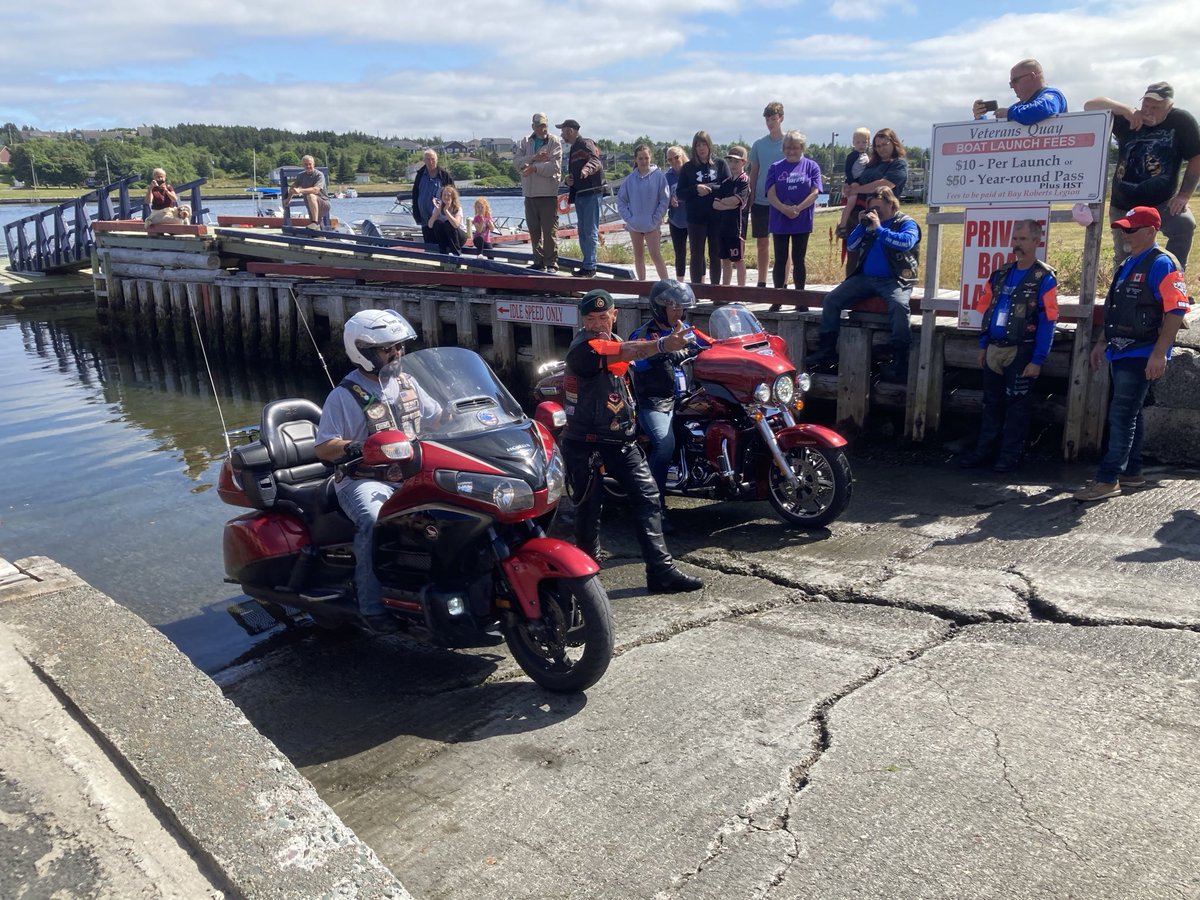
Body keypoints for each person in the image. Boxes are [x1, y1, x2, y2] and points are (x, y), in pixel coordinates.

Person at [562, 289, 703, 594]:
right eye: (591, 318)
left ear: (615, 315)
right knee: (588, 509)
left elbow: (625, 370)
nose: (598, 323)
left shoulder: (612, 339)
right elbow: (630, 352)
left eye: (603, 316)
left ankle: (661, 570)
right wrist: (664, 344)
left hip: (618, 440)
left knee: (648, 496)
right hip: (585, 442)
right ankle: (586, 583)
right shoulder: (584, 347)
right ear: (583, 320)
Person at [314, 309, 443, 633]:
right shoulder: (343, 395)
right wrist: (353, 447)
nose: (396, 353)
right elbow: (323, 446)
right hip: (364, 480)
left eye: (399, 347)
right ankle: (371, 608)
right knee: (374, 519)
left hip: (414, 473)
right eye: (388, 349)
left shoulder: (408, 382)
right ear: (365, 353)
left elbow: (437, 418)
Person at [1073, 207, 1191, 501]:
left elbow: (1176, 310)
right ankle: (1132, 472)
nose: (1124, 234)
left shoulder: (1162, 264)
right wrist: (1102, 342)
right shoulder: (1128, 263)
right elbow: (1117, 307)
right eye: (1123, 228)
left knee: (1121, 414)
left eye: (1130, 229)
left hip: (1141, 352)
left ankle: (1107, 478)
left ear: (1150, 232)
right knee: (1131, 413)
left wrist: (1159, 353)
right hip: (1121, 350)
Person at [959, 220, 1059, 472]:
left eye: (1023, 240)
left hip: (1022, 350)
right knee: (991, 403)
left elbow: (1049, 320)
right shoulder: (1000, 274)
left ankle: (1010, 457)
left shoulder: (1044, 278)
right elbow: (985, 310)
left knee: (1018, 407)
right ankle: (984, 453)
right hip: (993, 347)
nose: (1017, 245)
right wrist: (982, 345)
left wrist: (1038, 359)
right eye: (1015, 239)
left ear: (1037, 242)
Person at [807, 187, 920, 384]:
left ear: (891, 204)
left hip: (895, 279)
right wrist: (861, 225)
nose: (873, 212)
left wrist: (879, 229)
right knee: (832, 300)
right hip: (865, 279)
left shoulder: (906, 222)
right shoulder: (868, 224)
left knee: (899, 306)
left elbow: (906, 243)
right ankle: (826, 351)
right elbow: (851, 245)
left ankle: (899, 359)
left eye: (877, 207)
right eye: (870, 208)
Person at [1084, 82, 1200, 271]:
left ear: (1169, 107)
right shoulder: (1128, 118)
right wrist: (1127, 110)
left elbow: (1196, 156)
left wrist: (1184, 195)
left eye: (1156, 107)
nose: (1149, 111)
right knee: (1125, 255)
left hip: (1162, 202)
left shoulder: (1181, 121)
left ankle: (1173, 276)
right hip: (1124, 204)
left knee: (1184, 225)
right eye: (1146, 105)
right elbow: (1090, 105)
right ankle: (1125, 290)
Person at [628, 280, 709, 530]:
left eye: (681, 307)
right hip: (655, 402)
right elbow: (637, 362)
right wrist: (665, 351)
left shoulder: (687, 331)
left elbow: (712, 345)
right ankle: (653, 507)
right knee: (664, 443)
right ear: (658, 307)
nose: (678, 312)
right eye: (673, 307)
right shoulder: (642, 335)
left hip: (687, 399)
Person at [837, 129, 909, 272]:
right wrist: (848, 186)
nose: (881, 148)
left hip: (884, 216)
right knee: (854, 255)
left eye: (884, 144)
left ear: (894, 143)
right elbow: (854, 176)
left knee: (879, 254)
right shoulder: (870, 163)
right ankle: (852, 288)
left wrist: (857, 189)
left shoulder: (898, 164)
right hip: (859, 214)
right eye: (878, 146)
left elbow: (885, 184)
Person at [766, 131, 823, 295]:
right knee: (780, 260)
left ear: (802, 148)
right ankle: (777, 297)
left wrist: (798, 208)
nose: (791, 151)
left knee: (799, 259)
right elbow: (770, 193)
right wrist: (784, 208)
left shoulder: (811, 166)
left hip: (802, 219)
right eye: (788, 148)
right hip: (780, 219)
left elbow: (815, 192)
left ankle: (800, 298)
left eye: (795, 148)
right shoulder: (775, 167)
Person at [677, 130, 730, 286]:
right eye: (698, 145)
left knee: (715, 254)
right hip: (695, 218)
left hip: (716, 217)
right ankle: (696, 290)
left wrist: (710, 189)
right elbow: (680, 193)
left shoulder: (720, 164)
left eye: (704, 144)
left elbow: (727, 187)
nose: (701, 148)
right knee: (696, 255)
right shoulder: (688, 167)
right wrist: (695, 189)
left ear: (709, 145)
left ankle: (715, 290)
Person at [514, 113, 563, 272]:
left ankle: (551, 263)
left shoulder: (554, 141)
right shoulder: (525, 141)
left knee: (549, 231)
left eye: (544, 125)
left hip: (548, 194)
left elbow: (554, 167)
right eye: (539, 126)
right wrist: (535, 157)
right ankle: (538, 261)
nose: (542, 129)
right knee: (533, 230)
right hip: (529, 195)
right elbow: (516, 163)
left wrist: (534, 168)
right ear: (533, 127)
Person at [616, 144, 670, 281]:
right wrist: (629, 219)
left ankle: (667, 285)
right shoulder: (629, 179)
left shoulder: (659, 177)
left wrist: (656, 218)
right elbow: (621, 201)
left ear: (650, 158)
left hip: (652, 225)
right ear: (636, 160)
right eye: (640, 158)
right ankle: (642, 286)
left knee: (655, 255)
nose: (644, 161)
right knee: (638, 256)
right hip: (635, 225)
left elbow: (664, 199)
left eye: (646, 158)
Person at [558, 119, 605, 278]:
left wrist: (587, 169)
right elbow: (574, 174)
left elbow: (595, 161)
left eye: (563, 131)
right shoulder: (573, 149)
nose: (561, 134)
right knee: (582, 231)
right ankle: (586, 264)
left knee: (590, 230)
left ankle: (591, 266)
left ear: (570, 131)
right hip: (579, 193)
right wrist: (568, 180)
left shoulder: (586, 143)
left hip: (591, 192)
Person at [748, 101, 786, 289]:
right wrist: (751, 198)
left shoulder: (789, 143)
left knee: (782, 245)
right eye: (768, 119)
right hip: (761, 201)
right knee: (762, 242)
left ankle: (783, 283)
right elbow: (754, 172)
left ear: (781, 119)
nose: (771, 123)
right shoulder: (758, 145)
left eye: (774, 119)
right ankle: (762, 282)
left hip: (782, 201)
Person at [973, 58, 1068, 125]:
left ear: (1032, 77)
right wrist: (980, 118)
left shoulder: (1052, 94)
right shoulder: (1019, 108)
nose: (1012, 86)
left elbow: (1043, 109)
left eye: (1015, 81)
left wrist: (1009, 114)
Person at [713, 146, 752, 286]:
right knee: (725, 260)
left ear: (744, 163)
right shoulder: (726, 182)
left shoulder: (744, 181)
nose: (733, 165)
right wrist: (727, 204)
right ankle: (725, 290)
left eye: (737, 162)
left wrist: (726, 202)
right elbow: (715, 204)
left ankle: (741, 291)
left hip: (737, 227)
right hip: (724, 226)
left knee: (738, 260)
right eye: (731, 161)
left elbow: (737, 201)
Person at [411, 149, 455, 245]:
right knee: (429, 248)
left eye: (433, 159)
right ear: (424, 161)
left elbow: (453, 197)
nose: (431, 162)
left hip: (440, 219)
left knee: (441, 247)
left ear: (437, 159)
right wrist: (416, 214)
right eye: (428, 159)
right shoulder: (420, 175)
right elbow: (415, 195)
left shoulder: (445, 176)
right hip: (425, 220)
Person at [664, 146, 690, 279]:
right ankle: (680, 283)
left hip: (693, 218)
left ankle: (700, 285)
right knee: (679, 253)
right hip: (676, 219)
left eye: (676, 157)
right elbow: (662, 197)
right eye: (670, 159)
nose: (674, 161)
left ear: (682, 155)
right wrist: (669, 200)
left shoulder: (690, 170)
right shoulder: (667, 176)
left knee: (698, 252)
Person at [287, 156, 331, 227]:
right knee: (317, 229)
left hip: (324, 203)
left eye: (310, 164)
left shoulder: (319, 175)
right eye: (305, 164)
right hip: (310, 204)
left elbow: (316, 190)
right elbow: (293, 187)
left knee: (311, 195)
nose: (308, 166)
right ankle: (320, 234)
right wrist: (288, 199)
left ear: (314, 164)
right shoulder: (300, 175)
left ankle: (315, 222)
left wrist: (300, 190)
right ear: (302, 165)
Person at [427, 185, 465, 255]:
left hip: (459, 236)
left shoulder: (457, 208)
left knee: (448, 223)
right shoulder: (438, 207)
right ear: (441, 196)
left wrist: (446, 210)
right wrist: (437, 211)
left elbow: (456, 225)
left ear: (453, 197)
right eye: (444, 195)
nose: (446, 197)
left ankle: (456, 254)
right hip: (447, 237)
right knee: (437, 223)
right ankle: (443, 251)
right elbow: (430, 225)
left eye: (449, 195)